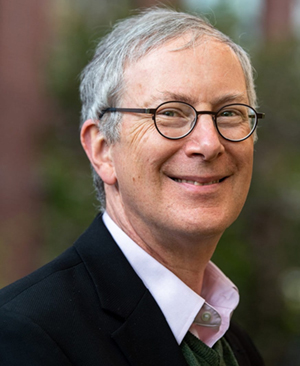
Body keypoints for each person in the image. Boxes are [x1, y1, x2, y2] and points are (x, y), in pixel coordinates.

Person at [0, 7, 265, 366]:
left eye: (230, 113)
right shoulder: (23, 336)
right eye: (170, 113)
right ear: (103, 149)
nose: (208, 143)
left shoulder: (234, 345)